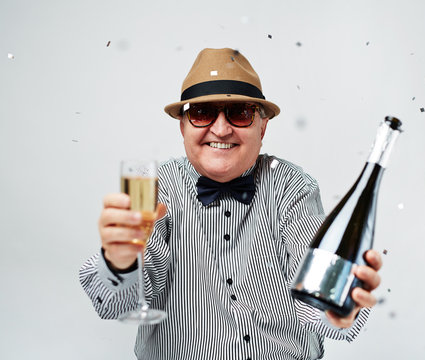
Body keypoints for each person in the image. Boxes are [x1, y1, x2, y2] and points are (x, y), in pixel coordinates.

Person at [80, 48, 382, 360]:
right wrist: (119, 263)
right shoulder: (154, 189)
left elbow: (315, 296)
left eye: (239, 112)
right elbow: (119, 304)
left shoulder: (293, 187)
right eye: (201, 113)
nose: (222, 129)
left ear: (262, 128)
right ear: (182, 127)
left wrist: (338, 307)